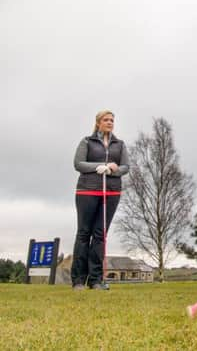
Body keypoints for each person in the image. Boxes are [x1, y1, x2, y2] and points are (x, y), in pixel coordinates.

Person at [72, 110, 129, 290]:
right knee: (84, 233)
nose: (110, 122)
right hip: (87, 191)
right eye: (106, 120)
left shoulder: (119, 144)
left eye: (112, 120)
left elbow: (125, 166)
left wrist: (113, 169)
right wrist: (99, 166)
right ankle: (79, 279)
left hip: (111, 192)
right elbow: (78, 164)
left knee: (100, 235)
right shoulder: (87, 142)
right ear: (98, 123)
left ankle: (95, 279)